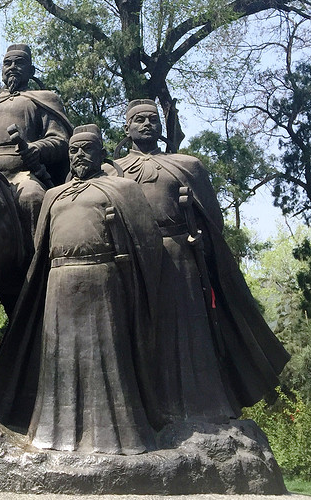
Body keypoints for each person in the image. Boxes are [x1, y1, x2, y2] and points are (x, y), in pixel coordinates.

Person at [0, 125, 161, 454]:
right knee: (58, 362)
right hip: (59, 283)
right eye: (73, 151)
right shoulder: (54, 195)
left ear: (100, 153)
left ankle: (119, 437)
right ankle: (53, 435)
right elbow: (39, 249)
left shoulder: (121, 190)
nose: (79, 156)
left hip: (103, 282)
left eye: (86, 149)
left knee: (108, 360)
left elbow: (148, 244)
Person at [114, 99, 289, 427]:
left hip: (180, 254)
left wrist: (199, 237)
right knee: (141, 331)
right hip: (137, 259)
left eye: (153, 119)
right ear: (127, 127)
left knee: (189, 331)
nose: (147, 124)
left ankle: (201, 406)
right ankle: (144, 411)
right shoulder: (113, 170)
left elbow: (212, 217)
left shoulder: (186, 165)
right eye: (139, 119)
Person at [0, 44, 72, 248]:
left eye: (19, 62)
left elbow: (61, 140)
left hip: (22, 174)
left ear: (31, 71)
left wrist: (37, 149)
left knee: (32, 197)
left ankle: (37, 263)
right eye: (7, 63)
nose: (12, 67)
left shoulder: (43, 100)